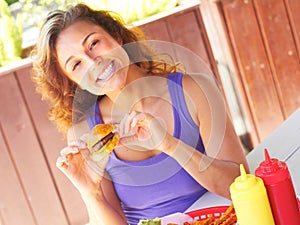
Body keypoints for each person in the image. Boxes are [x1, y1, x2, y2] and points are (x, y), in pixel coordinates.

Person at [31, 3, 249, 225]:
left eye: (94, 43)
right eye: (76, 64)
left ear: (116, 36)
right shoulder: (84, 135)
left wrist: (170, 145)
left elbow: (242, 185)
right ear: (74, 83)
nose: (93, 62)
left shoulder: (195, 92)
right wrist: (91, 194)